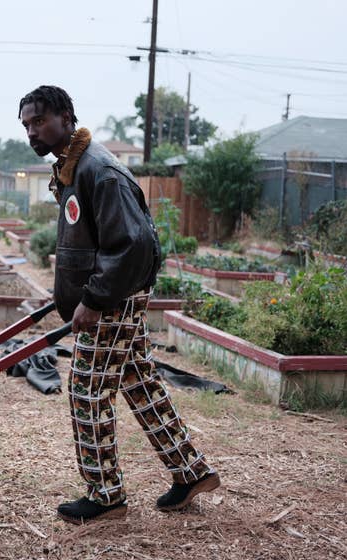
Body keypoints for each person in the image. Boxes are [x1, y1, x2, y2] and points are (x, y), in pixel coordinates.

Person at [18, 85, 220, 524]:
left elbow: (133, 244)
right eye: (26, 125)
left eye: (39, 122)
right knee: (139, 383)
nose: (32, 132)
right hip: (109, 296)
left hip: (111, 300)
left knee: (87, 393)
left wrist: (91, 300)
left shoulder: (99, 170)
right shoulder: (74, 166)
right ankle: (191, 471)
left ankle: (105, 496)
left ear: (66, 117)